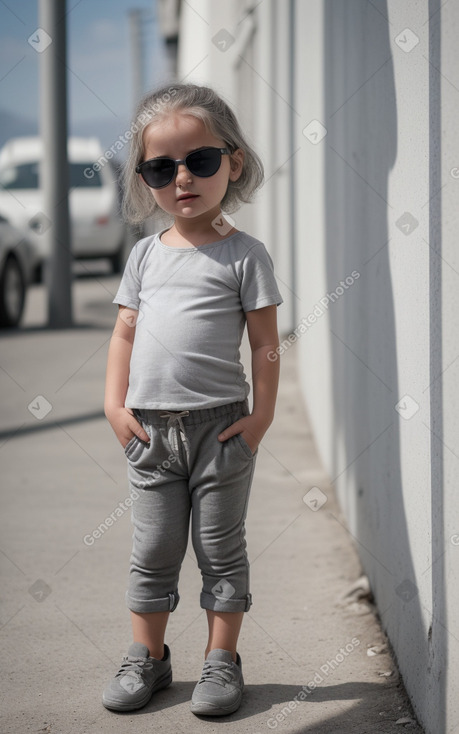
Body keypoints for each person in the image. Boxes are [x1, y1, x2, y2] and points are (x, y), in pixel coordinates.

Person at [102, 82, 283, 717]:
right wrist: (114, 407)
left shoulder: (244, 255)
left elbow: (265, 345)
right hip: (149, 432)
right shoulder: (145, 256)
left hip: (221, 431)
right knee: (152, 551)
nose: (183, 177)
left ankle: (220, 661)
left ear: (232, 162)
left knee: (220, 548)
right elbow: (124, 335)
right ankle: (147, 658)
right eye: (161, 167)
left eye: (200, 160)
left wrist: (259, 418)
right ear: (143, 178)